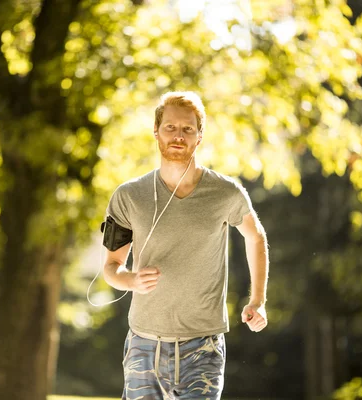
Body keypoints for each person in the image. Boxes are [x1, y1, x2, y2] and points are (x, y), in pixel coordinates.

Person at [102, 91, 269, 400]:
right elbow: (111, 268)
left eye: (187, 129)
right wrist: (131, 280)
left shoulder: (225, 192)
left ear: (199, 135)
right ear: (156, 131)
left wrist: (257, 300)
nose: (178, 135)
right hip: (144, 346)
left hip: (202, 347)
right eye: (170, 127)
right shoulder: (128, 196)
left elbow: (256, 236)